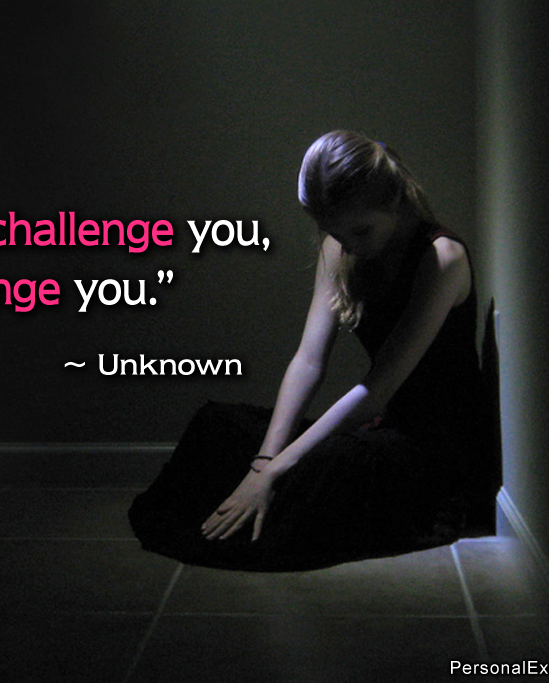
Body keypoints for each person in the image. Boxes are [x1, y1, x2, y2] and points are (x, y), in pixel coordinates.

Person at [129, 130, 495, 571]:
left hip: (434, 449)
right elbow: (308, 361)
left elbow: (376, 391)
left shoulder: (442, 259)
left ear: (396, 201)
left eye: (361, 230)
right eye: (333, 231)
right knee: (217, 426)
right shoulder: (340, 247)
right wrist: (264, 461)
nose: (349, 244)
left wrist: (276, 471)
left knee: (314, 471)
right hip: (382, 428)